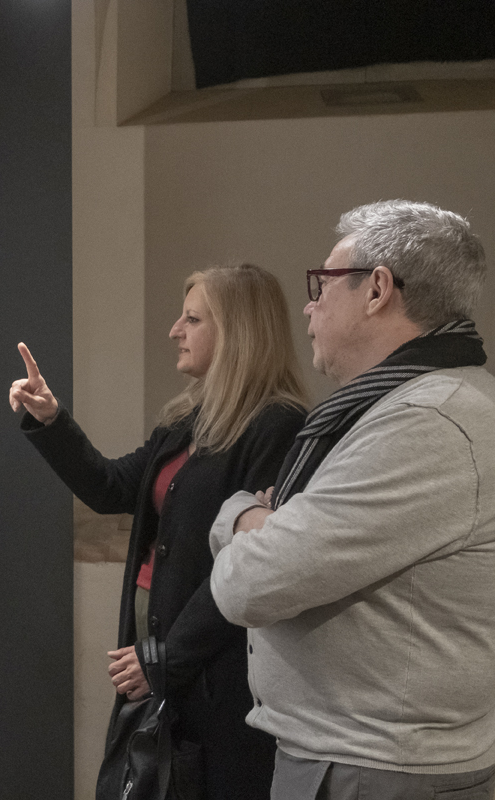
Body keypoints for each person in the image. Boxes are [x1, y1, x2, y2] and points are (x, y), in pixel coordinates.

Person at [208, 201, 495, 799]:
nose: (310, 305)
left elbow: (251, 584)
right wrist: (272, 524)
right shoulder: (411, 404)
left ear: (378, 290)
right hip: (361, 758)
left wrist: (240, 515)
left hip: (374, 771)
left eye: (323, 284)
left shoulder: (426, 423)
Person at [10, 263, 308, 798]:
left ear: (236, 333)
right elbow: (110, 487)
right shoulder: (188, 420)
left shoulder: (276, 425)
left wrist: (167, 658)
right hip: (159, 660)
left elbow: (251, 568)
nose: (175, 329)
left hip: (215, 674)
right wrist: (52, 421)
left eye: (192, 319)